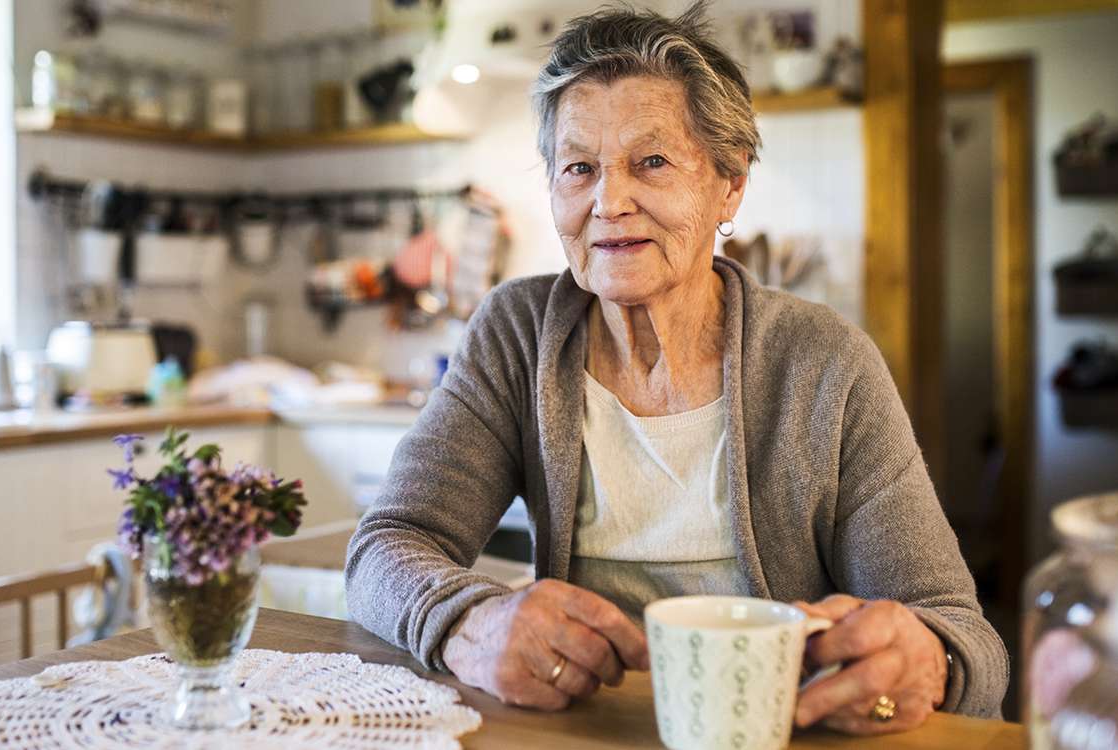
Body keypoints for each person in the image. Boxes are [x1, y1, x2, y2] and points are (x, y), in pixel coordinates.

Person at [345, 2, 1006, 734]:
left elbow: (961, 632)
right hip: (582, 731)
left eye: (651, 162)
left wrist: (925, 659)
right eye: (579, 168)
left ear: (729, 185)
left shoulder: (826, 362)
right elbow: (386, 546)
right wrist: (466, 622)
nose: (609, 202)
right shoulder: (517, 334)